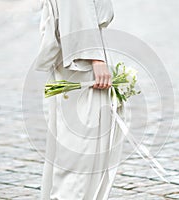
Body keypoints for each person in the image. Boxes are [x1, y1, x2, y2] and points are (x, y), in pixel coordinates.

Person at [32, 0, 125, 199]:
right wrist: (96, 59)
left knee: (76, 145)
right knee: (80, 149)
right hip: (81, 59)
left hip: (80, 50)